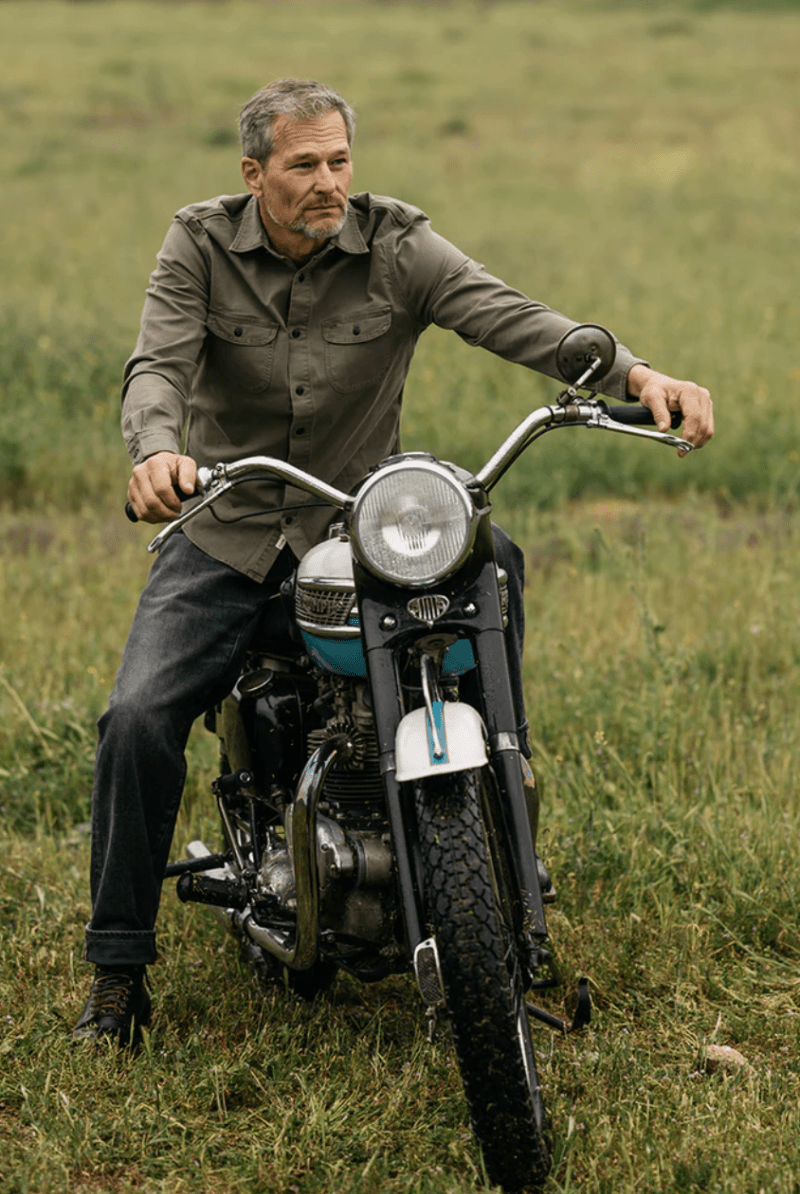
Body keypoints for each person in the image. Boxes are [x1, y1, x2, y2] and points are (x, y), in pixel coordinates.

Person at [72, 78, 713, 1047]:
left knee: (491, 566)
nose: (327, 182)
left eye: (338, 161)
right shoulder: (198, 244)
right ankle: (117, 974)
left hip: (358, 531)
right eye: (302, 166)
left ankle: (501, 827)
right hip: (229, 526)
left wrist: (632, 373)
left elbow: (512, 316)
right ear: (253, 174)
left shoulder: (396, 244)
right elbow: (156, 367)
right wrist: (156, 451)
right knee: (137, 716)